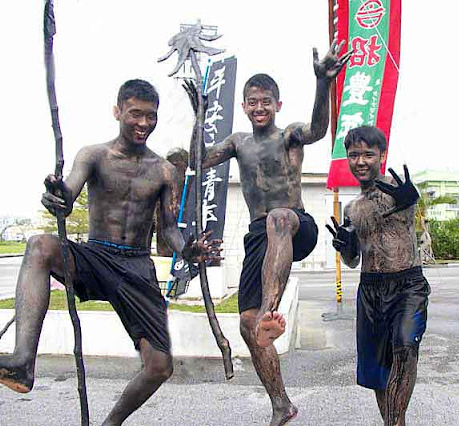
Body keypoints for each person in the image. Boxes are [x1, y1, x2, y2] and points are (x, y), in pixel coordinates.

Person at [0, 79, 221, 426]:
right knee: (40, 245)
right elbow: (66, 199)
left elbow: (169, 230)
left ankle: (110, 424)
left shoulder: (165, 171)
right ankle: (22, 362)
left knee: (159, 367)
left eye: (150, 116)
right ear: (118, 112)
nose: (143, 123)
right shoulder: (94, 155)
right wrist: (55, 197)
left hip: (136, 267)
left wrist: (190, 250)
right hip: (96, 256)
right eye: (135, 114)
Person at [184, 41, 351, 425]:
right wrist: (199, 115)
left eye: (266, 101)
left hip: (296, 224)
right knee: (245, 323)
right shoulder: (237, 142)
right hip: (261, 237)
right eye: (252, 102)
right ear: (243, 106)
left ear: (277, 104)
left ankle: (268, 313)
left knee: (277, 217)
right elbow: (198, 160)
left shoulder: (288, 135)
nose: (259, 108)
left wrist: (323, 83)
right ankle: (281, 403)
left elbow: (318, 128)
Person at [326, 126, 430, 426]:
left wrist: (410, 197)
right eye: (354, 155)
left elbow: (409, 202)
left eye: (368, 154)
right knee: (378, 371)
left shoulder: (396, 189)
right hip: (370, 289)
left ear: (382, 156)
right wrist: (344, 248)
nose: (360, 161)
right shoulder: (352, 209)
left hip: (408, 284)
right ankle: (392, 422)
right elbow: (352, 260)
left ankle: (396, 423)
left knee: (406, 347)